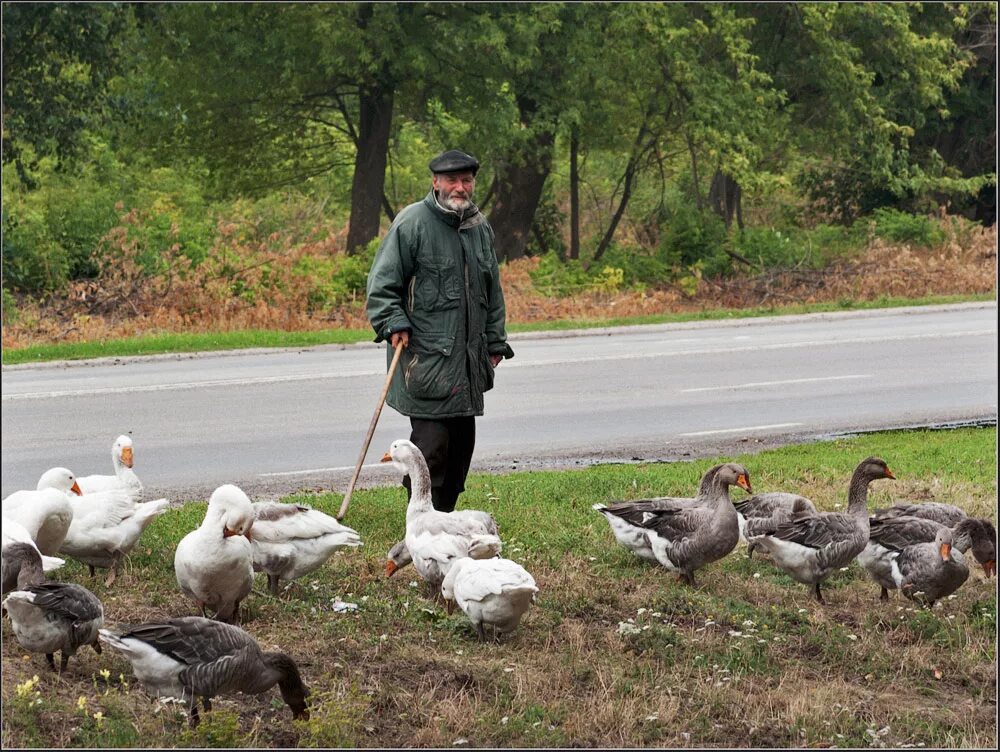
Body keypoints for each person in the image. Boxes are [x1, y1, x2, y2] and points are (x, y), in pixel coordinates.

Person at [366, 149, 514, 512]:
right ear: (436, 182)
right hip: (426, 362)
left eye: (466, 180)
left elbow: (491, 290)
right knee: (431, 452)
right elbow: (382, 285)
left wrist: (495, 340)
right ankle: (421, 521)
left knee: (461, 453)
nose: (459, 187)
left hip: (467, 364)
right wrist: (392, 321)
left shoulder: (479, 227)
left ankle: (442, 517)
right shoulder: (412, 223)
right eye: (452, 180)